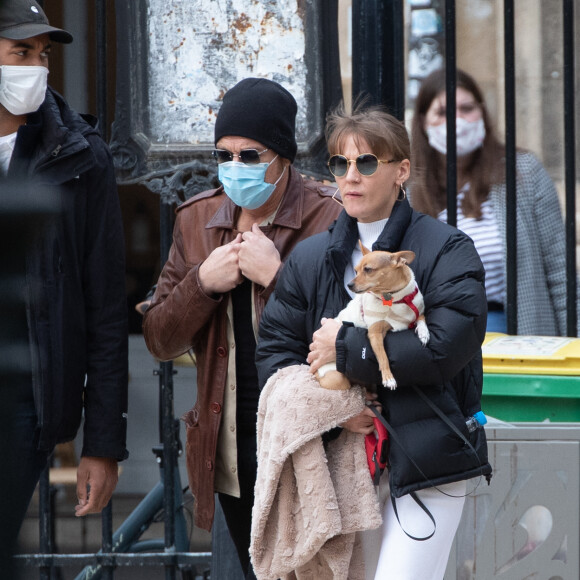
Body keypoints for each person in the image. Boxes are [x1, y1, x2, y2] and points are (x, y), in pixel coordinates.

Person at [255, 104, 492, 580]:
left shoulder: (446, 248)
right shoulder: (310, 257)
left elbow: (447, 347)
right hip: (335, 467)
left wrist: (346, 349)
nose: (351, 176)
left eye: (366, 163)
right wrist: (335, 408)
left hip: (427, 462)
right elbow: (275, 354)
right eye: (340, 164)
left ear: (401, 170)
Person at [142, 77, 342, 579]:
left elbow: (344, 334)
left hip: (309, 439)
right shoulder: (198, 220)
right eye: (224, 154)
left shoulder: (330, 217)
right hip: (229, 443)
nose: (235, 168)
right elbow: (159, 339)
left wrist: (277, 277)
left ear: (283, 158)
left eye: (250, 155)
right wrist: (201, 284)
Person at [0, 0, 129, 563]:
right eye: (19, 52)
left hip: (24, 406)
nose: (34, 67)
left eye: (42, 55)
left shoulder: (80, 157)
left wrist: (100, 443)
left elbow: (104, 306)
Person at [410, 67, 576, 335]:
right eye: (443, 113)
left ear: (483, 114)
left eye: (467, 108)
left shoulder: (523, 173)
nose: (458, 120)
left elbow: (561, 274)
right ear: (423, 122)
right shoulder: (408, 191)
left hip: (519, 335)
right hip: (439, 340)